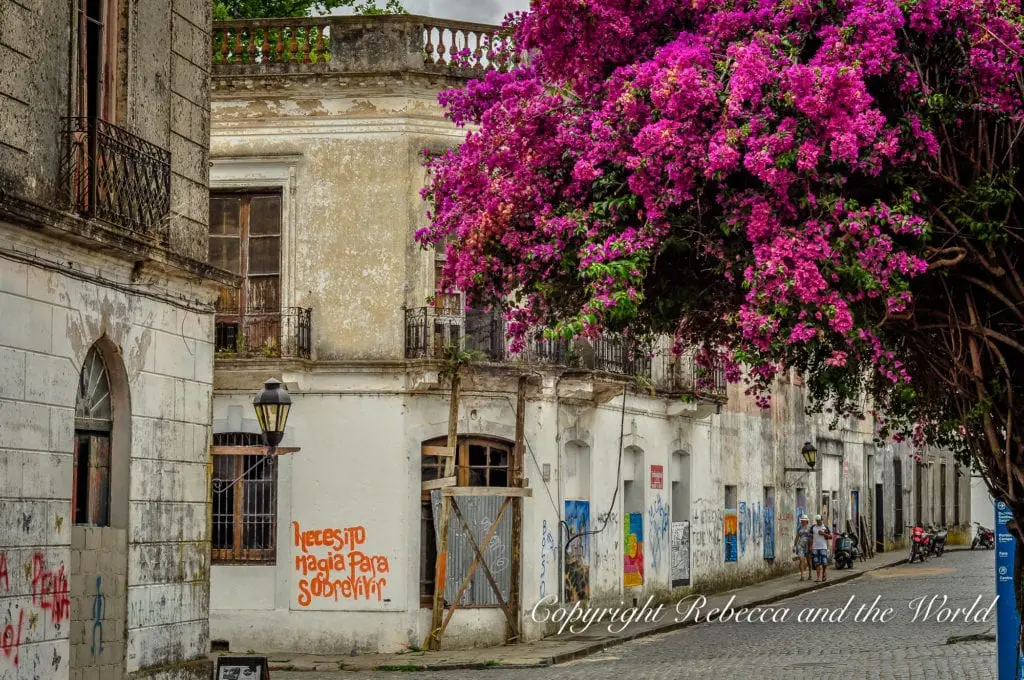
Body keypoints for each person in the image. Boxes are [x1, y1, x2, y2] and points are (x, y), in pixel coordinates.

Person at [810, 514, 832, 582]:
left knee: (824, 563)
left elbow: (830, 537)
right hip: (815, 548)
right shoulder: (813, 527)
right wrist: (811, 546)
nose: (818, 522)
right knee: (817, 563)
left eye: (819, 520)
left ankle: (824, 573)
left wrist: (823, 534)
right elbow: (811, 537)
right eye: (817, 521)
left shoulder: (825, 527)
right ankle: (818, 577)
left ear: (822, 520)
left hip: (823, 547)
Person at [793, 515, 812, 580]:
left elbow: (812, 538)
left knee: (809, 561)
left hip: (807, 545)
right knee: (801, 560)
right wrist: (794, 546)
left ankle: (810, 574)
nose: (802, 521)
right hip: (800, 545)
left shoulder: (810, 528)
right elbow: (797, 537)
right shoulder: (799, 528)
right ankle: (802, 576)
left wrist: (811, 546)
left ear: (806, 521)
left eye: (803, 520)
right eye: (801, 520)